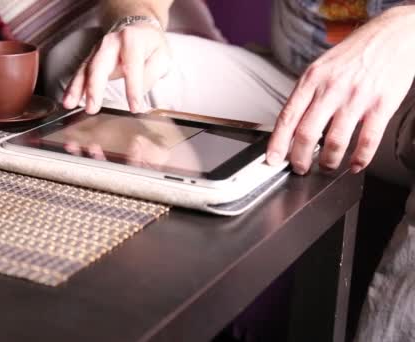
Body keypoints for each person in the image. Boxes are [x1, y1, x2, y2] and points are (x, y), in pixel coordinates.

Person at [45, 0, 415, 341]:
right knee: (85, 64)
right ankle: (160, 279)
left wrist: (403, 26)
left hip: (403, 111)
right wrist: (138, 20)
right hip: (293, 80)